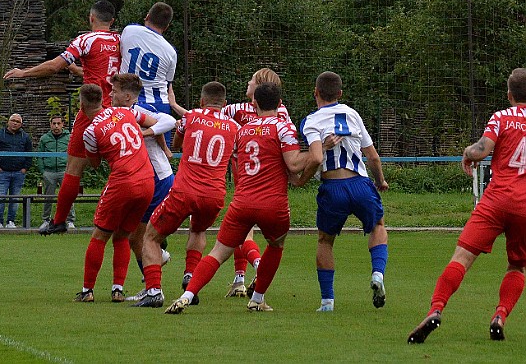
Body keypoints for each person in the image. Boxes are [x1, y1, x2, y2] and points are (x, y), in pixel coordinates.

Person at [165, 83, 307, 313]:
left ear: (254, 104)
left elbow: (239, 162)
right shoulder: (284, 128)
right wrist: (314, 155)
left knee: (218, 252)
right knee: (275, 244)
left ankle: (187, 295)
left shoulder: (242, 130)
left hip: (242, 200)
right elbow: (293, 165)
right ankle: (257, 299)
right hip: (273, 202)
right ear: (280, 104)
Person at [408, 68, 526, 343]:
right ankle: (499, 315)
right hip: (524, 206)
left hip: (496, 200)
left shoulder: (501, 117)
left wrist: (467, 154)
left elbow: (482, 150)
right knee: (517, 266)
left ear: (509, 94)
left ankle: (436, 309)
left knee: (461, 257)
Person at [4, 0, 120, 235]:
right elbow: (104, 72)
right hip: (119, 113)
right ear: (113, 22)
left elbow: (55, 66)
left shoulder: (86, 40)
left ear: (91, 18)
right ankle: (138, 217)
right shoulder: (122, 41)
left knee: (74, 167)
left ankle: (58, 222)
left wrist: (24, 73)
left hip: (92, 111)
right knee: (124, 166)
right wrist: (81, 71)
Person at [132, 81, 239, 308]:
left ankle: (153, 290)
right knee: (198, 229)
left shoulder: (191, 117)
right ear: (225, 104)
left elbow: (177, 144)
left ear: (201, 101)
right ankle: (190, 275)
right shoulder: (234, 127)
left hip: (185, 190)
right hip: (213, 194)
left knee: (150, 236)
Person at [297, 71, 389, 312]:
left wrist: (300, 181)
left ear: (315, 92)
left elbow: (315, 158)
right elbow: (373, 157)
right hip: (360, 183)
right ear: (340, 94)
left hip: (332, 187)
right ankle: (377, 274)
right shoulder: (352, 113)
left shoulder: (311, 121)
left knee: (325, 241)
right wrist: (380, 181)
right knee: (378, 226)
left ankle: (327, 301)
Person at [73, 83, 164, 303]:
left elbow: (94, 163)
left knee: (100, 235)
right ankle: (117, 290)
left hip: (123, 182)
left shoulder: (90, 131)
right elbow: (158, 123)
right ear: (104, 99)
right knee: (123, 235)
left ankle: (87, 291)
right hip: (147, 181)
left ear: (82, 104)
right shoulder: (125, 111)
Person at [106, 74, 176, 301]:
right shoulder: (119, 115)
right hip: (146, 179)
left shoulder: (139, 111)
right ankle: (153, 278)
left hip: (156, 179)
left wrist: (143, 132)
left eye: (114, 91)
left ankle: (153, 284)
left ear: (127, 96)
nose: (110, 94)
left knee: (138, 237)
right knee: (135, 236)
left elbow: (169, 121)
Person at [119, 2, 177, 146]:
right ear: (167, 26)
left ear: (147, 16)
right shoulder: (171, 52)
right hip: (158, 103)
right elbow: (168, 83)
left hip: (129, 100)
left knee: (130, 152)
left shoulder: (129, 30)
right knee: (160, 157)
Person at [0, 113, 33, 228]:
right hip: (3, 172)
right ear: (8, 122)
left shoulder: (25, 137)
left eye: (17, 121)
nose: (15, 123)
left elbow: (30, 154)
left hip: (19, 172)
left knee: (15, 198)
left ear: (21, 124)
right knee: (1, 196)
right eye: (13, 120)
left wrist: (25, 168)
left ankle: (10, 221)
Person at [36, 115, 75, 230]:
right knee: (48, 197)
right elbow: (40, 156)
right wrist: (43, 171)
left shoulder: (69, 137)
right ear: (50, 125)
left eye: (58, 123)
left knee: (68, 196)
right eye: (54, 123)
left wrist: (71, 169)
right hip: (49, 171)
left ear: (63, 124)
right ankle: (46, 219)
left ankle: (70, 220)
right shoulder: (44, 138)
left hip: (65, 171)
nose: (56, 126)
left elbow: (74, 153)